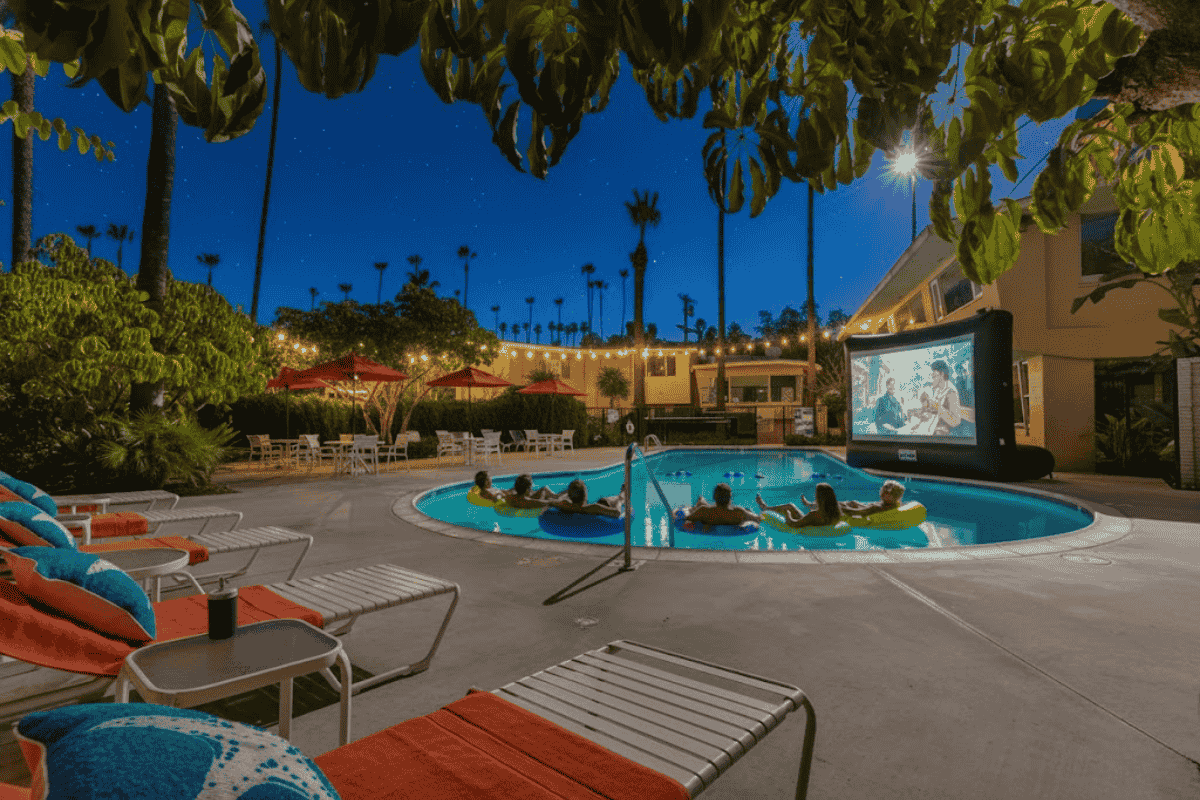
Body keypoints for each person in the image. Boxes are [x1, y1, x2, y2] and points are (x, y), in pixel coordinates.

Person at [755, 482, 841, 529]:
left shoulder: (813, 515)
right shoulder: (836, 512)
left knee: (789, 507)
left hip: (805, 524)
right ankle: (765, 507)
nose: (815, 495)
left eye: (816, 494)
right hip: (817, 523)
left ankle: (765, 507)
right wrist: (809, 504)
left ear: (819, 497)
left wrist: (787, 514)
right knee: (791, 506)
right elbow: (825, 504)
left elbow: (793, 524)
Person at [686, 483, 762, 526]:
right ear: (730, 498)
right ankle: (702, 500)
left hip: (712, 513)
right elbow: (758, 519)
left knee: (701, 503)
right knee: (748, 510)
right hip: (730, 515)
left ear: (714, 497)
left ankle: (701, 500)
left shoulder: (704, 511)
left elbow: (686, 519)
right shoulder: (739, 512)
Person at [548, 479, 623, 518]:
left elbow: (549, 502)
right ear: (585, 495)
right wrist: (620, 500)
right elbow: (617, 513)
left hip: (574, 504)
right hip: (606, 504)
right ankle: (621, 494)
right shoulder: (594, 508)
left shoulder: (566, 505)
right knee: (612, 500)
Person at [928, 359, 967, 436]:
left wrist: (936, 406)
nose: (932, 379)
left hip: (943, 433)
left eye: (934, 376)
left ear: (942, 374)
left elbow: (955, 421)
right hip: (935, 426)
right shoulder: (939, 389)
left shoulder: (951, 392)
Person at [836, 480, 906, 518]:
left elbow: (856, 512)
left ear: (894, 496)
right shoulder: (895, 504)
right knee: (853, 503)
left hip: (863, 515)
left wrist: (838, 506)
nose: (881, 492)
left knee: (846, 505)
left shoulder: (876, 507)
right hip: (869, 510)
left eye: (885, 491)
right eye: (882, 489)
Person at [501, 473, 566, 509]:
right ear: (527, 489)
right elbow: (548, 502)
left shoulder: (509, 497)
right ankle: (564, 493)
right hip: (536, 504)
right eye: (531, 486)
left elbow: (501, 494)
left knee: (543, 490)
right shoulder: (528, 501)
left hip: (522, 497)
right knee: (544, 490)